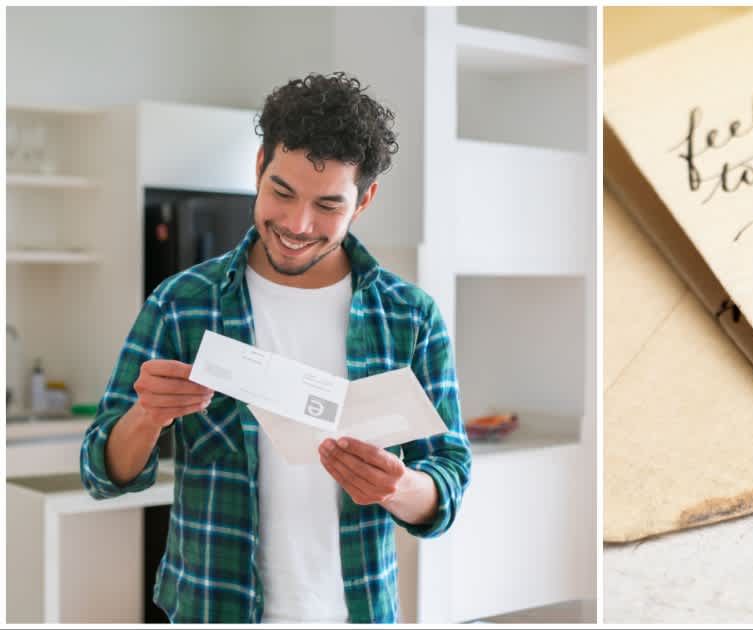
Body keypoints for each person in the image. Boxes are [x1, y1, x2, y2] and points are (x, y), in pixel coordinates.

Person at [79, 72, 471, 623]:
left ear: (365, 201)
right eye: (281, 192)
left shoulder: (410, 317)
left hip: (355, 611)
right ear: (259, 165)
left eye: (328, 206)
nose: (296, 224)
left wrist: (399, 486)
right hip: (212, 609)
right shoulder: (183, 303)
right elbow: (100, 470)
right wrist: (147, 416)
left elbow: (448, 478)